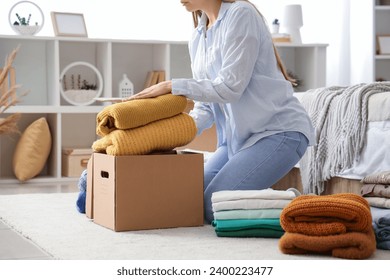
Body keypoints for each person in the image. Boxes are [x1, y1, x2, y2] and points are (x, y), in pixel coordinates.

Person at [130, 0, 315, 223]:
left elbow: (230, 88)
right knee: (188, 199)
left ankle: (304, 208)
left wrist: (172, 86)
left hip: (278, 133)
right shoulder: (199, 34)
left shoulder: (241, 14)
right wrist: (168, 137)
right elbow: (206, 105)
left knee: (212, 208)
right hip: (236, 143)